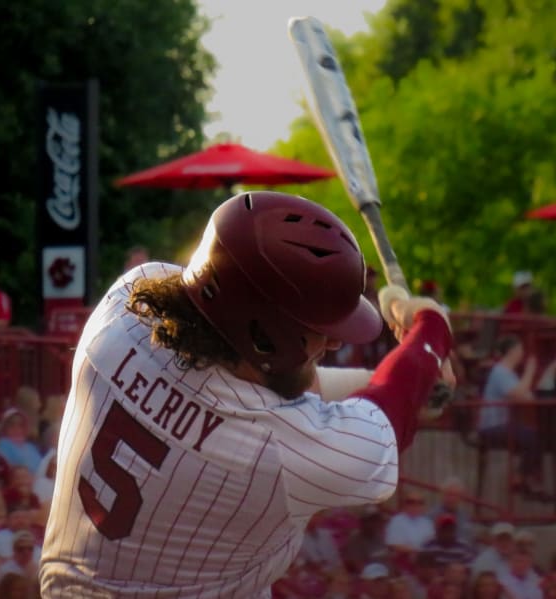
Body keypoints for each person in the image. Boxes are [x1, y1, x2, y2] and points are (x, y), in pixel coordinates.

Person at [39, 191, 455, 597]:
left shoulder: (123, 311)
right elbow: (384, 420)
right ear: (265, 337)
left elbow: (263, 385)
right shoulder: (273, 449)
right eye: (319, 334)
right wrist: (430, 328)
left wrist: (404, 381)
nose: (332, 345)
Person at [478, 335, 543, 495]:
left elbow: (527, 397)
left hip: (502, 424)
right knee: (531, 437)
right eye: (520, 349)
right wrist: (529, 372)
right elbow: (521, 395)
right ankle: (521, 478)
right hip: (493, 426)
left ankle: (525, 478)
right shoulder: (500, 372)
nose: (522, 353)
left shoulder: (509, 374)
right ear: (512, 351)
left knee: (534, 437)